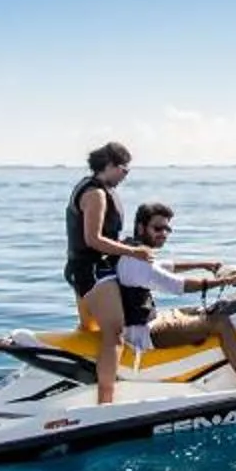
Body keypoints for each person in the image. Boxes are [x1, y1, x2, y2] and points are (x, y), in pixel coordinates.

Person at [110, 201, 236, 388]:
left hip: (149, 321)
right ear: (141, 228)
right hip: (143, 334)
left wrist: (203, 264)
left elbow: (164, 266)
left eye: (167, 229)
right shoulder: (136, 261)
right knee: (221, 322)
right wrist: (225, 281)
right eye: (157, 228)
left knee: (212, 308)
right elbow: (178, 286)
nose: (163, 234)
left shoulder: (134, 250)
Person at [66, 141, 145, 403]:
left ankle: (81, 387)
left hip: (80, 270)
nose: (126, 174)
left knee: (90, 330)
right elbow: (93, 239)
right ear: (110, 165)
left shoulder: (89, 187)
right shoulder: (96, 194)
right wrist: (133, 252)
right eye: (124, 168)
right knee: (114, 333)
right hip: (93, 271)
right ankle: (106, 402)